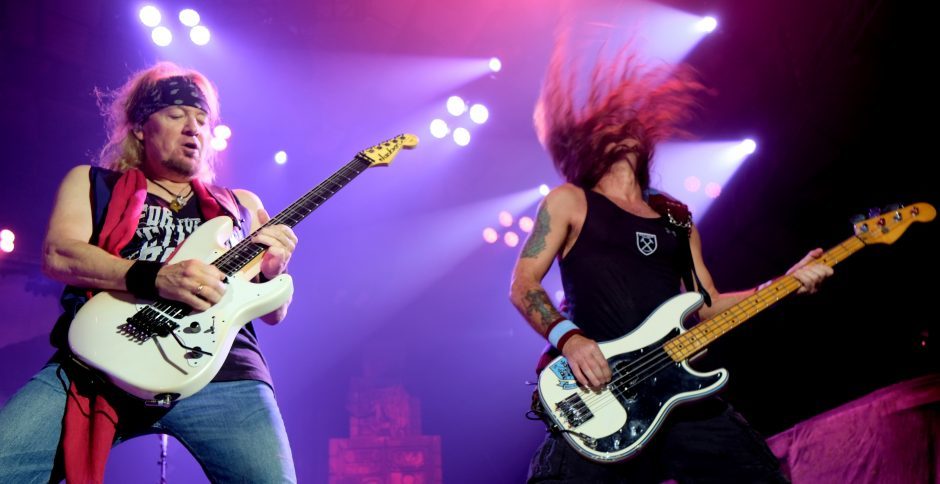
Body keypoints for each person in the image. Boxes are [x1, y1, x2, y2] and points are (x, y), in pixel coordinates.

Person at [510, 43, 834, 483]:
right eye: (607, 117)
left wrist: (785, 283)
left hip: (679, 394)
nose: (621, 123)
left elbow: (707, 305)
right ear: (585, 136)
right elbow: (524, 284)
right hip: (599, 390)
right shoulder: (570, 201)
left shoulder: (676, 218)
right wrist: (570, 341)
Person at [0, 61, 298, 482]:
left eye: (201, 120)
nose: (193, 128)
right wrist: (155, 276)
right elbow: (60, 255)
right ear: (140, 127)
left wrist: (270, 272)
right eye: (177, 116)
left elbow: (273, 314)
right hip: (103, 360)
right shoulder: (92, 183)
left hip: (223, 372)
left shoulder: (242, 204)